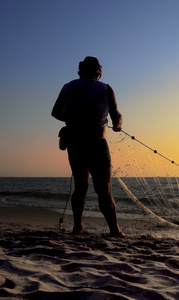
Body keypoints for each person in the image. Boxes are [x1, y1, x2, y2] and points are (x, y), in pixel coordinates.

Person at [52, 56, 126, 237]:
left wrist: (73, 120)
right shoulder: (105, 88)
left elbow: (55, 112)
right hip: (96, 143)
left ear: (79, 72)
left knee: (80, 186)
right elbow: (116, 119)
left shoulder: (67, 87)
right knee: (104, 189)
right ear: (98, 72)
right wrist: (117, 126)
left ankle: (78, 227)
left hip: (75, 143)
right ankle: (115, 230)